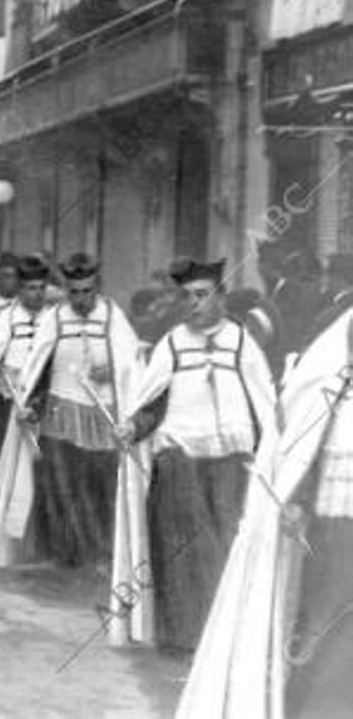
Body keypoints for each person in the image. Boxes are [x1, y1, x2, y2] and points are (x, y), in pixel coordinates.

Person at [175, 299, 353, 718]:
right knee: (327, 617)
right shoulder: (333, 362)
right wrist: (297, 499)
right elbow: (303, 439)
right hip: (336, 514)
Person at [106, 258, 276, 653]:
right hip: (179, 463)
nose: (193, 305)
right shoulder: (171, 344)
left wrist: (268, 454)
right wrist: (132, 426)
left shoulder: (241, 343)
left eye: (202, 296)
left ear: (220, 297)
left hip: (231, 465)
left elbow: (264, 407)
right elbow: (152, 403)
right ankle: (182, 640)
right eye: (186, 297)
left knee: (226, 548)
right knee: (181, 553)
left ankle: (223, 642)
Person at [13, 252, 141, 568]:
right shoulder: (55, 317)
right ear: (66, 290)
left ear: (97, 288)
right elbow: (38, 365)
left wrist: (110, 368)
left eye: (87, 292)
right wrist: (31, 402)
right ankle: (65, 553)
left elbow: (131, 359)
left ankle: (101, 550)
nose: (81, 299)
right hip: (61, 409)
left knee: (100, 483)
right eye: (74, 292)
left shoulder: (112, 315)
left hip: (102, 411)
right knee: (62, 482)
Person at [0, 255, 51, 567]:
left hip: (41, 402)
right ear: (20, 289)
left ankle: (37, 539)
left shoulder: (53, 317)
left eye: (41, 288)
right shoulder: (7, 318)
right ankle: (8, 540)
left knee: (38, 471)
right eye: (30, 288)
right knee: (9, 469)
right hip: (8, 402)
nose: (36, 294)